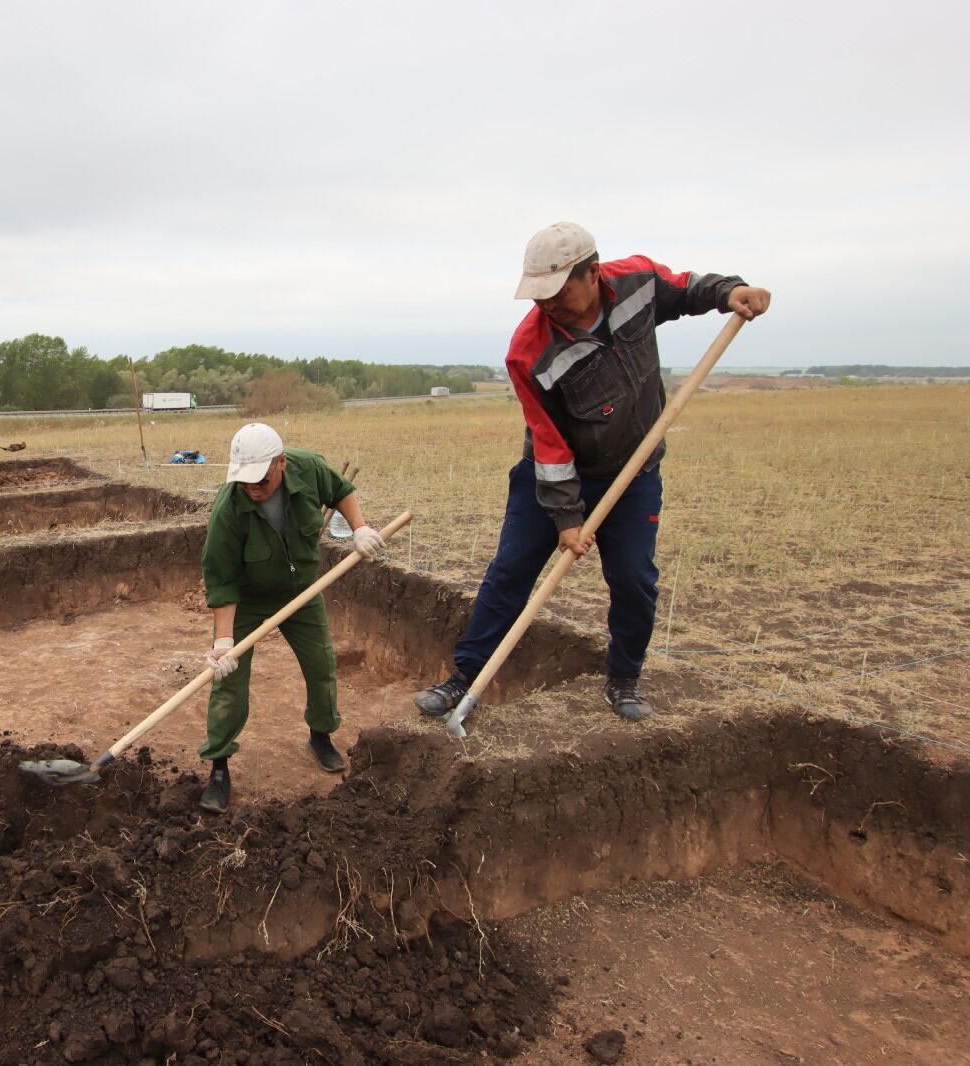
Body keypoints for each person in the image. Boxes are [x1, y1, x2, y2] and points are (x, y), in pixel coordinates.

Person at [414, 221, 772, 724]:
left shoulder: (638, 283)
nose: (546, 304)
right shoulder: (528, 352)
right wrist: (565, 516)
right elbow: (548, 439)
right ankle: (463, 679)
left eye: (557, 292)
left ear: (593, 273)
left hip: (633, 471)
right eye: (538, 296)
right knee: (509, 574)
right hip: (552, 472)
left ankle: (624, 678)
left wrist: (731, 291)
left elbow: (688, 288)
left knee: (634, 579)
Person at [198, 423, 387, 814]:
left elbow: (342, 492)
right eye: (245, 480)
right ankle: (218, 766)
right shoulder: (228, 510)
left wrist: (361, 528)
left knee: (321, 665)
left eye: (261, 479)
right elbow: (222, 580)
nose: (252, 487)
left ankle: (320, 735)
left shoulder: (309, 468)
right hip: (247, 599)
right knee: (229, 681)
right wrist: (223, 642)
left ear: (281, 463)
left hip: (301, 591)